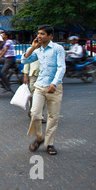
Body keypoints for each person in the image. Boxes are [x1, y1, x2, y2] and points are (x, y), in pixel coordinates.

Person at [21, 25, 65, 156]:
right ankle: (39, 137)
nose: (39, 36)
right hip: (40, 86)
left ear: (50, 36)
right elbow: (24, 60)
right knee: (34, 113)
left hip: (54, 87)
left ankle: (49, 143)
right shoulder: (38, 50)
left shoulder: (58, 49)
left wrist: (54, 83)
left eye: (42, 34)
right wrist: (33, 47)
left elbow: (61, 68)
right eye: (38, 33)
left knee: (53, 116)